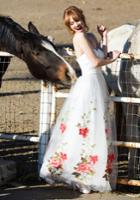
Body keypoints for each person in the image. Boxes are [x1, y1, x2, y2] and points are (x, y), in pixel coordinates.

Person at [40, 5, 120, 194]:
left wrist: (105, 37)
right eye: (71, 23)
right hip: (88, 85)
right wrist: (113, 59)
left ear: (82, 18)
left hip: (97, 82)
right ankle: (77, 174)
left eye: (77, 20)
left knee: (95, 126)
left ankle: (89, 174)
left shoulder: (90, 36)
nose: (76, 25)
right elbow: (95, 62)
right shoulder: (80, 38)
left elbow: (101, 53)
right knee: (84, 126)